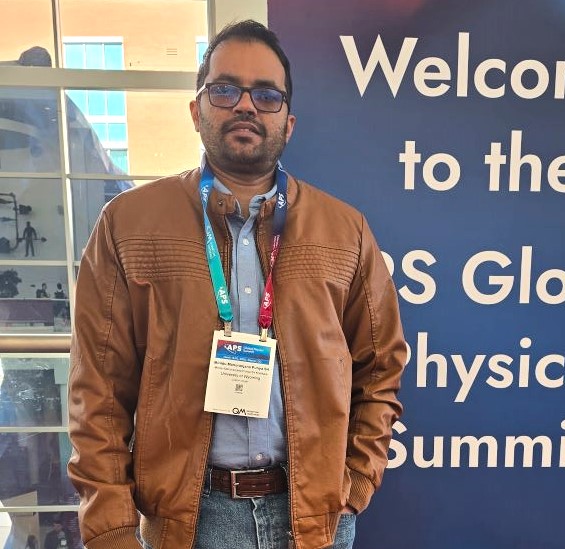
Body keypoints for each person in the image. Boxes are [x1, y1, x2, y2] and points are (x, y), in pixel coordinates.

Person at [67, 20, 406, 549]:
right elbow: (99, 392)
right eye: (225, 89)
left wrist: (353, 487)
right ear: (197, 109)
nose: (245, 105)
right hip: (187, 522)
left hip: (314, 522)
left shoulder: (345, 230)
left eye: (266, 95)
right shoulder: (128, 224)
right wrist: (111, 529)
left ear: (287, 123)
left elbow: (381, 366)